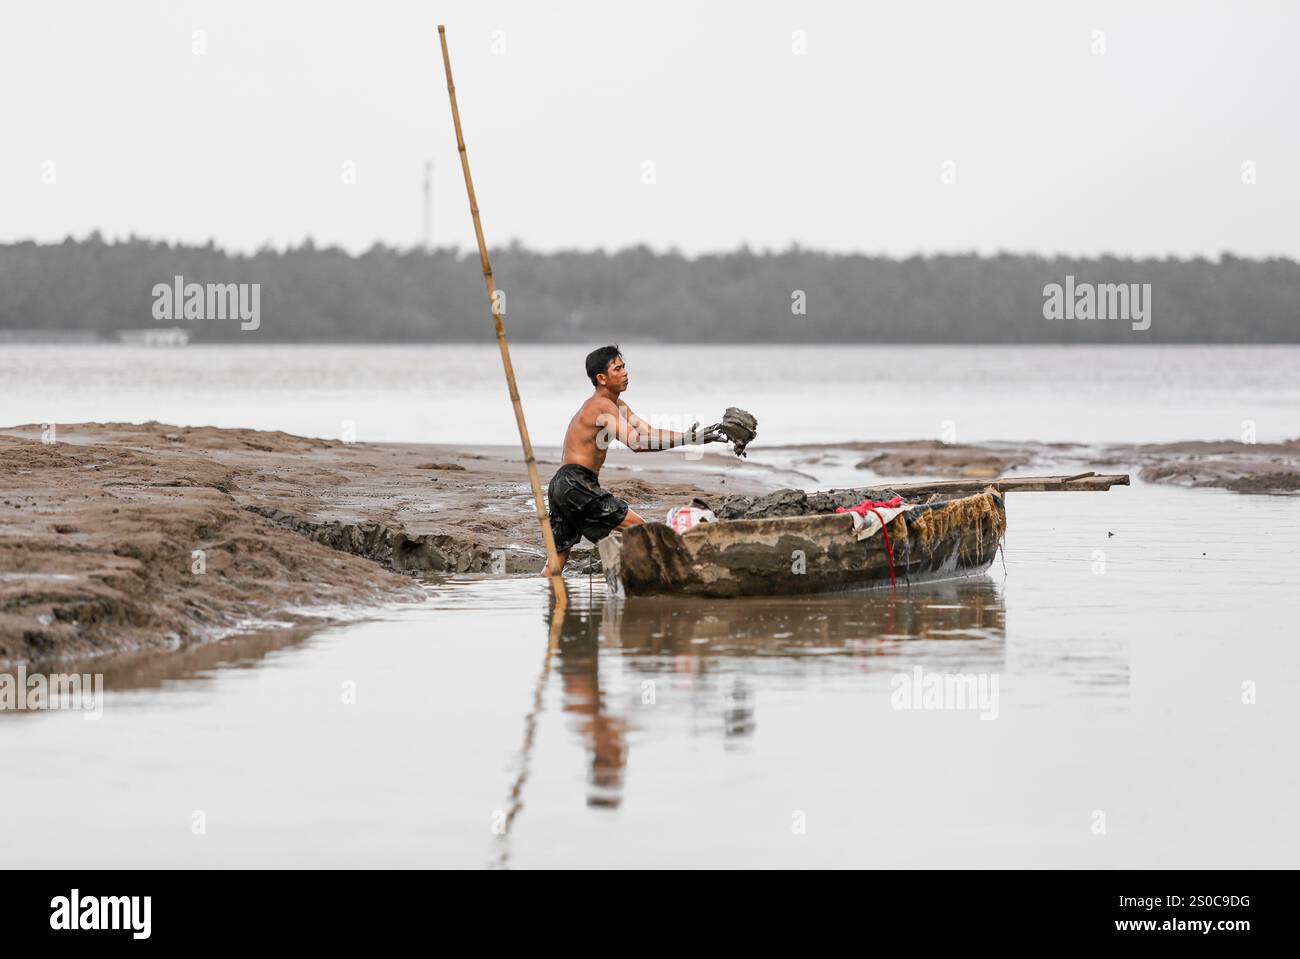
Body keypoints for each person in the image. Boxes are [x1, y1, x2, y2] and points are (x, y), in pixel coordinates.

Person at [544, 345, 724, 575]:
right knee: (642, 529)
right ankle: (671, 575)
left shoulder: (616, 406)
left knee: (554, 567)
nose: (625, 372)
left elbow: (648, 431)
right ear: (602, 378)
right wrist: (684, 442)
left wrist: (690, 438)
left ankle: (547, 602)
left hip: (563, 485)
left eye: (624, 367)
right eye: (617, 369)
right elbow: (637, 443)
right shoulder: (601, 406)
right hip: (575, 483)